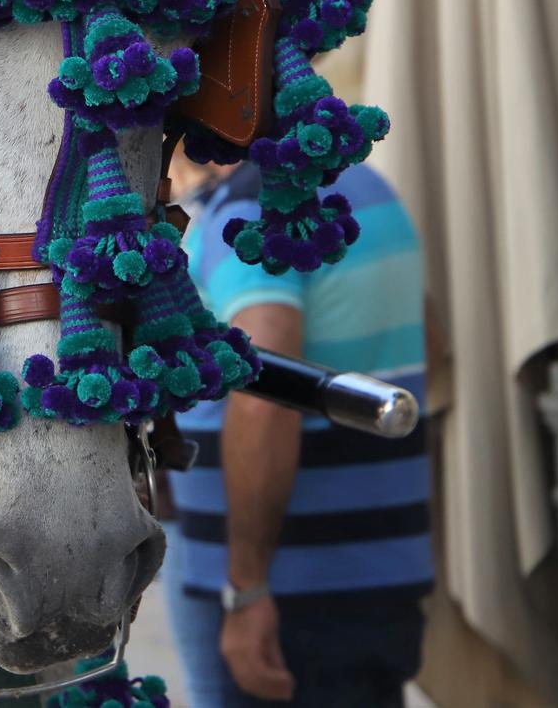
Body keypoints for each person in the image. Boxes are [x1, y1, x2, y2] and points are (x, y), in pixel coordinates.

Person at [160, 155, 433, 707]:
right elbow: (435, 341)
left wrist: (249, 587)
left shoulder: (254, 208)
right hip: (376, 575)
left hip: (288, 595)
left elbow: (265, 398)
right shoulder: (367, 183)